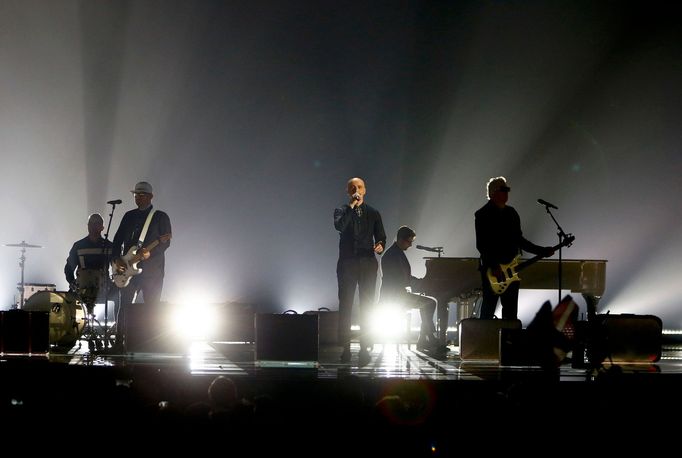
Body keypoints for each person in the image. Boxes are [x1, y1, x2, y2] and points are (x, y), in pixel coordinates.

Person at [475, 176, 555, 320]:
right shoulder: (482, 214)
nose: (506, 193)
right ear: (493, 192)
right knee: (488, 309)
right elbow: (482, 244)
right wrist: (494, 266)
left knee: (511, 312)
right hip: (492, 270)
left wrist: (541, 251)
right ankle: (485, 339)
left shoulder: (511, 213)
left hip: (511, 268)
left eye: (507, 190)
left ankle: (508, 340)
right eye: (503, 190)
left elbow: (520, 240)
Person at [112, 181, 172, 345]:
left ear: (151, 197)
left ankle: (151, 342)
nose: (138, 198)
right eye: (136, 195)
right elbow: (117, 240)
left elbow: (165, 242)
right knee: (124, 305)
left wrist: (150, 253)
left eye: (142, 195)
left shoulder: (160, 217)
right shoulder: (128, 216)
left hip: (152, 272)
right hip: (128, 270)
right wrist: (117, 258)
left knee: (152, 309)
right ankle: (119, 340)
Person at [334, 177, 386, 364]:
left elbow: (381, 236)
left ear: (365, 190)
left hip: (367, 263)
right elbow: (340, 226)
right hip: (347, 263)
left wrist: (380, 245)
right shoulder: (341, 210)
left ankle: (366, 345)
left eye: (360, 187)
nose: (356, 189)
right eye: (353, 188)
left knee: (367, 305)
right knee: (346, 304)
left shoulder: (373, 212)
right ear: (348, 192)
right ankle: (345, 347)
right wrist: (351, 207)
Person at [380, 226, 440, 353]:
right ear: (401, 239)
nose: (411, 245)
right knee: (430, 303)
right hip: (395, 297)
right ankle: (426, 339)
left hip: (397, 294)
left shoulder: (395, 253)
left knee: (428, 304)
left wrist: (420, 283)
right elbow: (402, 279)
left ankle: (425, 339)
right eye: (409, 241)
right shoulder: (393, 255)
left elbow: (404, 278)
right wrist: (422, 284)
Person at [64, 213, 114, 315]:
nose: (93, 226)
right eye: (91, 223)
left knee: (121, 295)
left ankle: (118, 325)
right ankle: (73, 326)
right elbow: (69, 267)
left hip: (103, 287)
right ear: (87, 226)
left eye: (97, 223)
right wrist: (72, 282)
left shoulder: (109, 246)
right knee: (67, 300)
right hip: (82, 287)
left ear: (102, 227)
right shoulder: (78, 246)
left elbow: (117, 266)